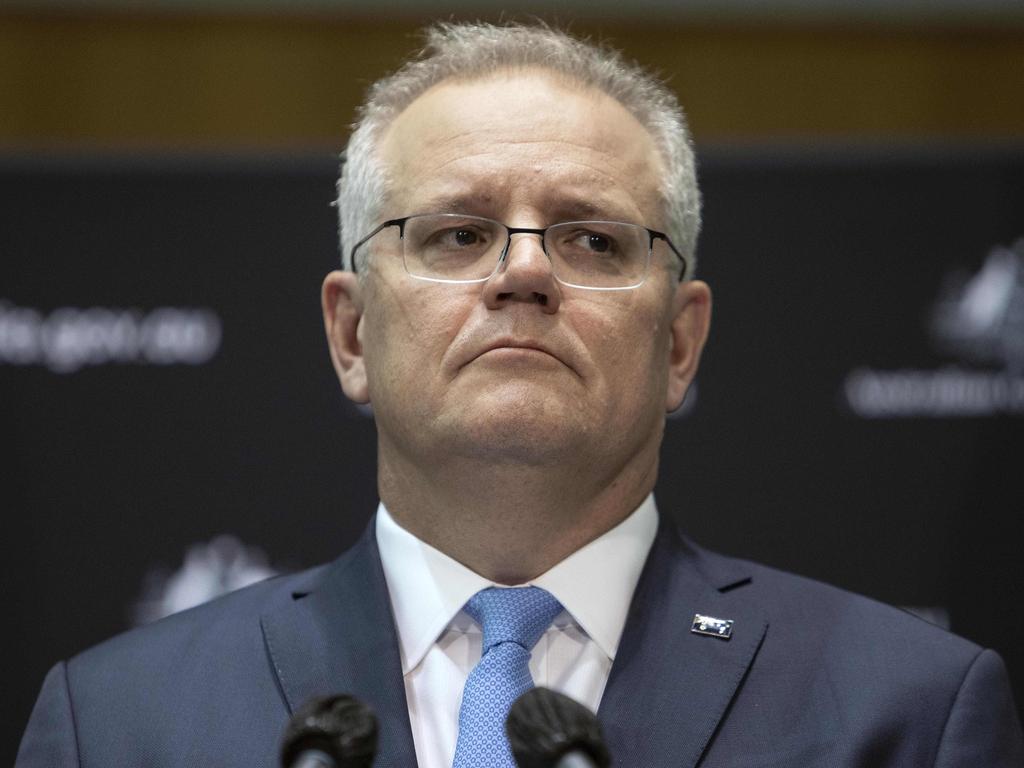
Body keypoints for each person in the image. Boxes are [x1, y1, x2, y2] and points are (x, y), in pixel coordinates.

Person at [16, 21, 1024, 768]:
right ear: (352, 331)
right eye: (457, 233)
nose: (524, 274)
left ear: (679, 342)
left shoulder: (905, 713)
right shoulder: (118, 723)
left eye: (593, 239)